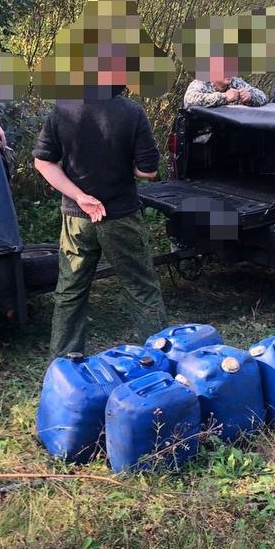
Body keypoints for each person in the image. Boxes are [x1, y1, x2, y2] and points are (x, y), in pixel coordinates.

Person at [33, 87, 167, 358]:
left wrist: (81, 197)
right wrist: (120, 163)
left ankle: (62, 368)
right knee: (142, 290)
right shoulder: (132, 112)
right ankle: (159, 362)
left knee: (70, 292)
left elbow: (43, 162)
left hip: (76, 219)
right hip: (120, 218)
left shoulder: (63, 109)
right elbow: (148, 170)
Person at [183, 56, 268, 108]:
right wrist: (224, 97)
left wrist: (250, 96)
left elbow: (263, 97)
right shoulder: (201, 82)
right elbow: (189, 100)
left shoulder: (236, 82)